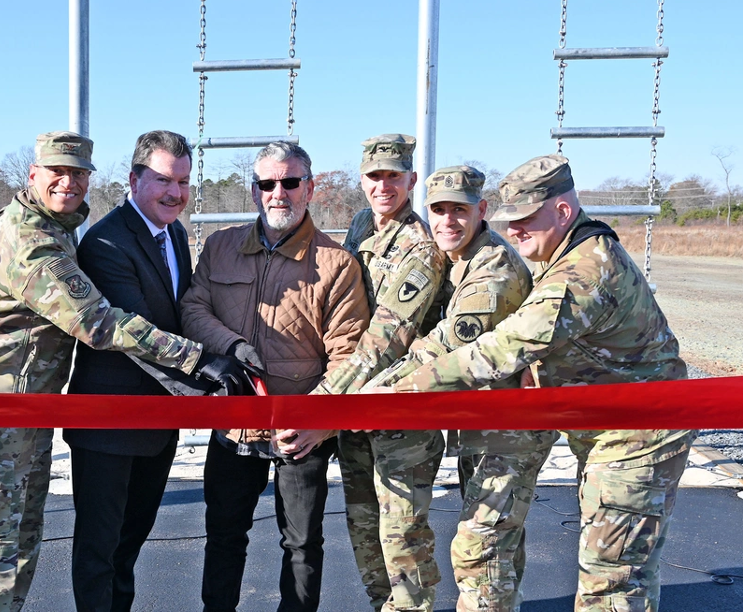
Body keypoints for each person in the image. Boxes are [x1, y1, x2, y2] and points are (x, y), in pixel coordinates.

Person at [0, 131, 247, 612]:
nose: (69, 182)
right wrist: (200, 361)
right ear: (33, 174)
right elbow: (99, 323)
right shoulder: (32, 240)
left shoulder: (58, 230)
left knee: (17, 553)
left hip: (26, 417)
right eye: (57, 172)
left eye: (79, 173)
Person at [384, 154, 697, 612]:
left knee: (612, 583)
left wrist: (397, 392)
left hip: (637, 436)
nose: (514, 230)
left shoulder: (583, 272)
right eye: (510, 220)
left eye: (526, 219)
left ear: (563, 211)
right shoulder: (570, 252)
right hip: (610, 429)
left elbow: (499, 350)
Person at [180, 141, 370, 612]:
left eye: (289, 182)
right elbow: (193, 308)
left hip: (300, 432)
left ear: (310, 188)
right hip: (235, 424)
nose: (278, 193)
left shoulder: (336, 264)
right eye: (267, 183)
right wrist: (231, 345)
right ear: (254, 191)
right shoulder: (220, 247)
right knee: (224, 535)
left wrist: (318, 420)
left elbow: (348, 354)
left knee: (302, 544)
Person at [364, 165, 558, 612]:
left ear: (481, 210)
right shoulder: (452, 258)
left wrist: (367, 396)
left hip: (509, 425)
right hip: (479, 416)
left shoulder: (494, 270)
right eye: (439, 210)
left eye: (460, 210)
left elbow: (441, 350)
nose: (448, 220)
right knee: (496, 543)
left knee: (482, 547)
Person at [282, 134, 447, 612]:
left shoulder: (421, 247)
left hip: (399, 414)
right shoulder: (361, 225)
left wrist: (318, 404)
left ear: (411, 180)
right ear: (362, 180)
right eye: (375, 176)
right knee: (365, 531)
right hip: (355, 412)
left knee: (402, 539)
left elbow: (383, 342)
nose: (383, 186)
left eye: (394, 176)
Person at [63, 130, 210, 611]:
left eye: (183, 182)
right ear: (134, 179)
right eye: (164, 179)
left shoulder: (176, 234)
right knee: (99, 551)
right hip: (109, 424)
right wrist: (208, 380)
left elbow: (182, 312)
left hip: (156, 424)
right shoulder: (106, 241)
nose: (175, 193)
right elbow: (137, 332)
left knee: (129, 545)